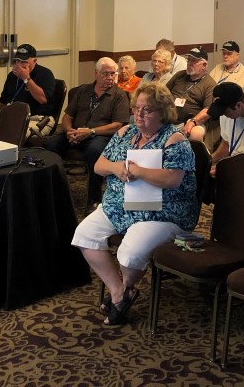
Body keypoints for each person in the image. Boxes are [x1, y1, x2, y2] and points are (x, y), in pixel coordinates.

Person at [71, 81, 197, 326]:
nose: (138, 114)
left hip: (161, 213)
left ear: (163, 112)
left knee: (129, 254)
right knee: (84, 235)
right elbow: (98, 166)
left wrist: (138, 171)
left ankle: (124, 289)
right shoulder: (125, 133)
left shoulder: (175, 139)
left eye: (146, 110)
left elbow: (172, 179)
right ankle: (119, 292)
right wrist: (117, 168)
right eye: (137, 108)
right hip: (119, 206)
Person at [45, 57, 131, 204]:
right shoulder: (83, 90)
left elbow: (118, 125)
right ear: (96, 73)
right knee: (50, 145)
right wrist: (69, 131)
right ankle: (55, 191)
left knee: (94, 151)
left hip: (100, 135)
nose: (110, 77)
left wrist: (90, 131)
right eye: (106, 73)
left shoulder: (119, 95)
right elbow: (67, 117)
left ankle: (94, 199)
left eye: (113, 74)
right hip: (75, 133)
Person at [0, 43, 57, 128]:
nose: (19, 64)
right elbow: (3, 101)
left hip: (38, 118)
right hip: (14, 117)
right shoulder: (12, 76)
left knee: (15, 132)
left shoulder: (45, 74)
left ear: (34, 61)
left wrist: (26, 78)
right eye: (17, 60)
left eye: (24, 61)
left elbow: (43, 99)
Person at [165, 47, 216, 141]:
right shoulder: (180, 75)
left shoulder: (210, 84)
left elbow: (208, 110)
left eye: (194, 61)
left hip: (193, 120)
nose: (189, 63)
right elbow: (164, 92)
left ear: (204, 65)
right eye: (188, 60)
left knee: (196, 133)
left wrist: (192, 122)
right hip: (169, 116)